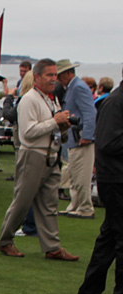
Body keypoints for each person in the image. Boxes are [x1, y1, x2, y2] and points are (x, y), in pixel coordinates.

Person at [0, 59, 79, 261]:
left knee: (50, 203)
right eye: (49, 75)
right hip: (33, 154)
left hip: (51, 155)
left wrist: (62, 127)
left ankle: (52, 246)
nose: (54, 79)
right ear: (37, 77)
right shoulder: (29, 99)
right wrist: (54, 122)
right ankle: (5, 241)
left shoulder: (51, 99)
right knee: (22, 202)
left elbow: (50, 127)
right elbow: (28, 132)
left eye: (55, 75)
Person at [76, 78, 123, 294]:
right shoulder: (115, 102)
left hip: (115, 177)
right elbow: (107, 143)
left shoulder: (114, 101)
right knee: (118, 236)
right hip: (115, 179)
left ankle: (89, 293)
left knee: (110, 237)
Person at [58, 59, 98, 219]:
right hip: (76, 139)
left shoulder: (78, 87)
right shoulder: (75, 86)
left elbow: (90, 113)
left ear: (68, 73)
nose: (58, 79)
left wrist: (87, 136)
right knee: (75, 174)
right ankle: (76, 205)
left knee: (81, 175)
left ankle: (85, 207)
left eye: (60, 75)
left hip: (80, 139)